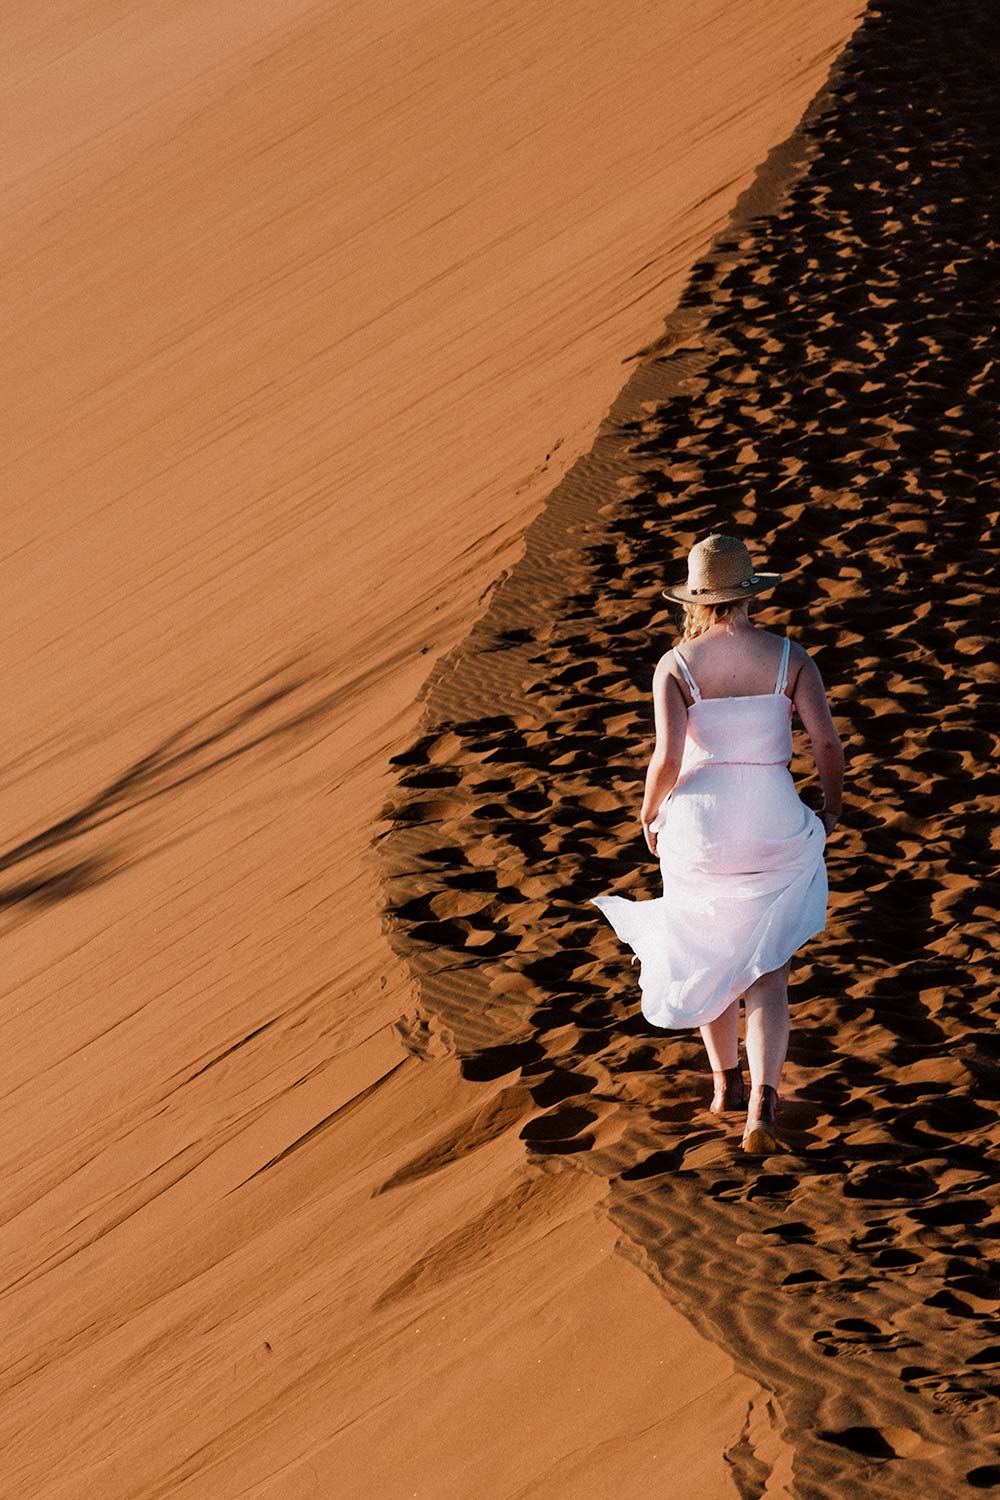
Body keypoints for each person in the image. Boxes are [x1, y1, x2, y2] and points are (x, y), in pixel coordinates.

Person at [591, 533, 844, 1154]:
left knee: (709, 945)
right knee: (768, 965)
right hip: (771, 815)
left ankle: (723, 1085)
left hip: (701, 823)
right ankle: (762, 1104)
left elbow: (667, 758)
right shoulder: (791, 658)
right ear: (750, 591)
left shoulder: (676, 666)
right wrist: (830, 809)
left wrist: (650, 816)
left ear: (696, 598)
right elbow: (827, 745)